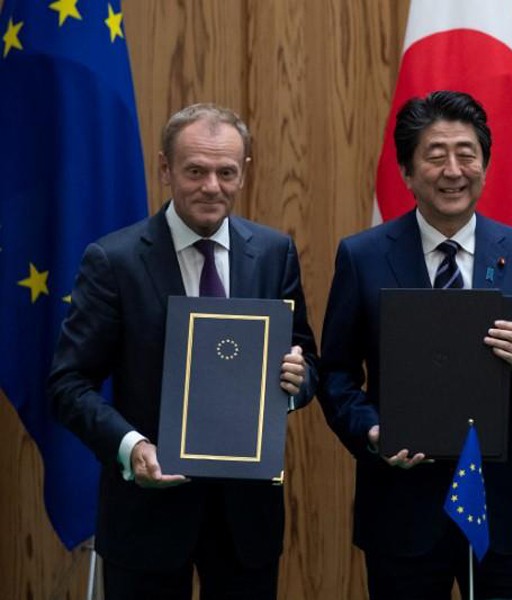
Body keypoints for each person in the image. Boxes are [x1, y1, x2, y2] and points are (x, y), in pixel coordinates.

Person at [48, 103, 318, 599]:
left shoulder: (274, 252)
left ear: (244, 173)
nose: (211, 186)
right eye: (195, 171)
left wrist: (298, 383)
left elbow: (305, 365)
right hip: (146, 512)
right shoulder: (114, 261)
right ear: (165, 169)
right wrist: (132, 448)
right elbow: (68, 384)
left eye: (226, 172)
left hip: (246, 520)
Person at [318, 90, 512, 600]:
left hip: (502, 502)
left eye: (467, 154)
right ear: (407, 173)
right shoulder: (362, 257)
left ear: (485, 166)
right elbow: (336, 373)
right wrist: (372, 432)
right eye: (435, 155)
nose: (454, 170)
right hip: (401, 504)